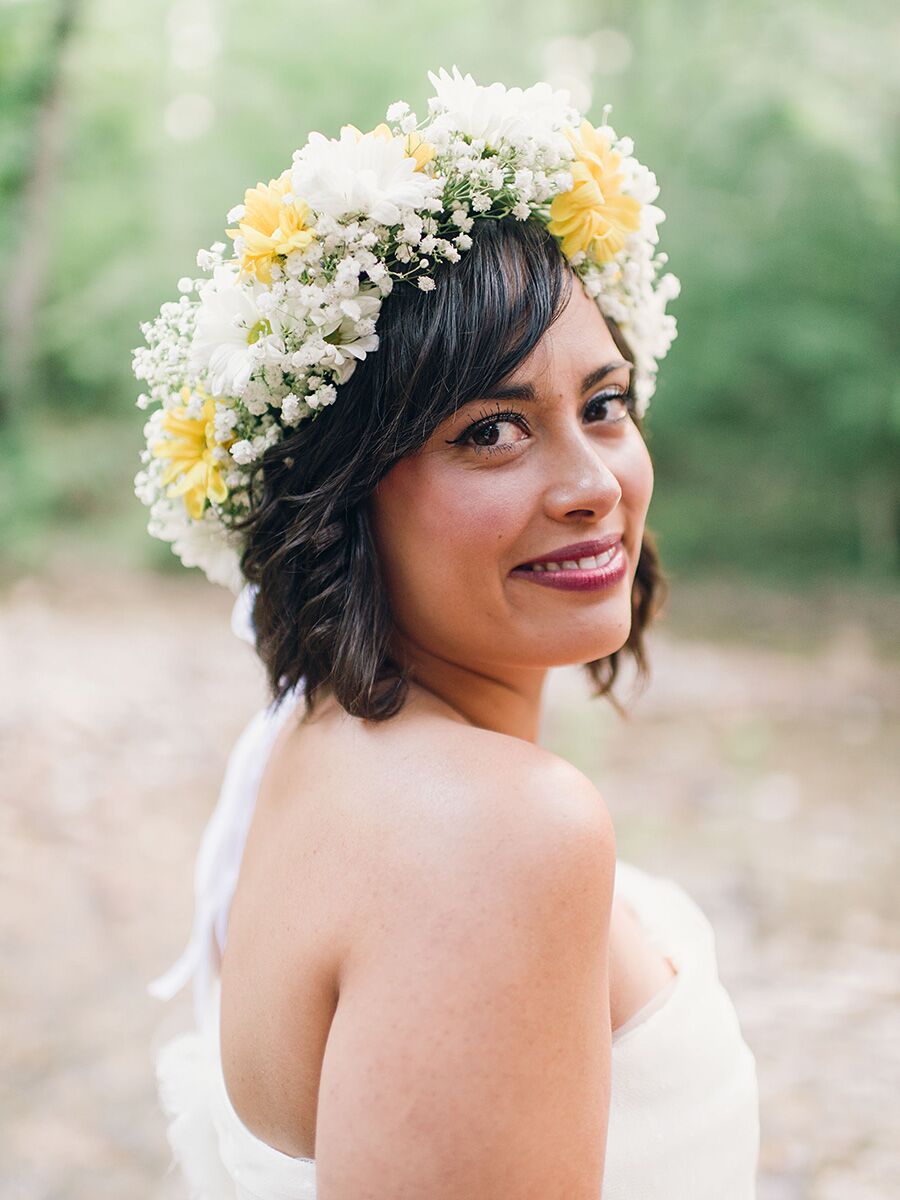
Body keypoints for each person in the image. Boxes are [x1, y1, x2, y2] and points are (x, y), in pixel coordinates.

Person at [140, 68, 760, 1198]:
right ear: (342, 497)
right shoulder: (495, 834)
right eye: (491, 431)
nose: (592, 485)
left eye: (604, 405)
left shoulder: (315, 747)